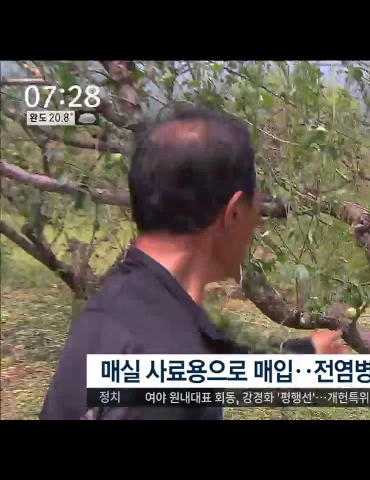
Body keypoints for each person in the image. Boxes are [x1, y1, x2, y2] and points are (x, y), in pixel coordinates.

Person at [40, 105, 347, 420]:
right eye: (256, 209)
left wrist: (303, 355)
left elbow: (208, 360)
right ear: (233, 215)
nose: (257, 224)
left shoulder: (127, 301)